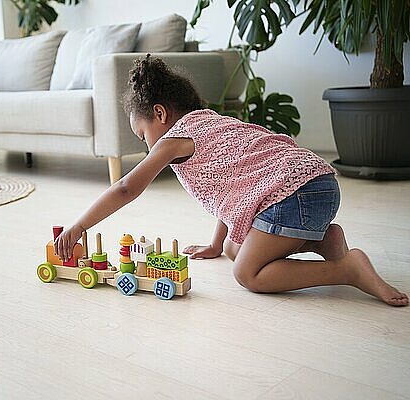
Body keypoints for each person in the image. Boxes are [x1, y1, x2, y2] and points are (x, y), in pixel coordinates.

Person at [54, 55, 408, 307]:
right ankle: (323, 239)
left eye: (142, 134)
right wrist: (214, 243)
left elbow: (126, 187)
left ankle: (346, 269)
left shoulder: (173, 140)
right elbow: (235, 185)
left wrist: (80, 225)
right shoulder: (210, 122)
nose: (147, 144)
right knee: (231, 248)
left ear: (160, 115)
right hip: (318, 184)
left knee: (248, 273)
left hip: (292, 196)